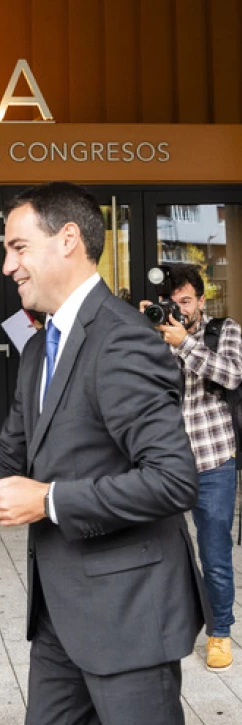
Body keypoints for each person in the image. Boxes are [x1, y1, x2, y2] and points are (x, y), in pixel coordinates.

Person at [0, 182, 208, 725]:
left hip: (128, 617)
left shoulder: (124, 340)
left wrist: (49, 499)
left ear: (69, 240)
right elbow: (9, 454)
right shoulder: (40, 347)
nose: (7, 266)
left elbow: (173, 479)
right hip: (58, 617)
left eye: (18, 247)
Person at [140, 263, 242, 672]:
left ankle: (220, 632)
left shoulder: (225, 330)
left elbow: (232, 375)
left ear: (202, 300)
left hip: (215, 458)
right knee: (154, 549)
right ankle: (160, 629)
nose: (179, 309)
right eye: (172, 302)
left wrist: (184, 343)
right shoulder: (154, 333)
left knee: (214, 554)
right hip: (164, 463)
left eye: (186, 301)